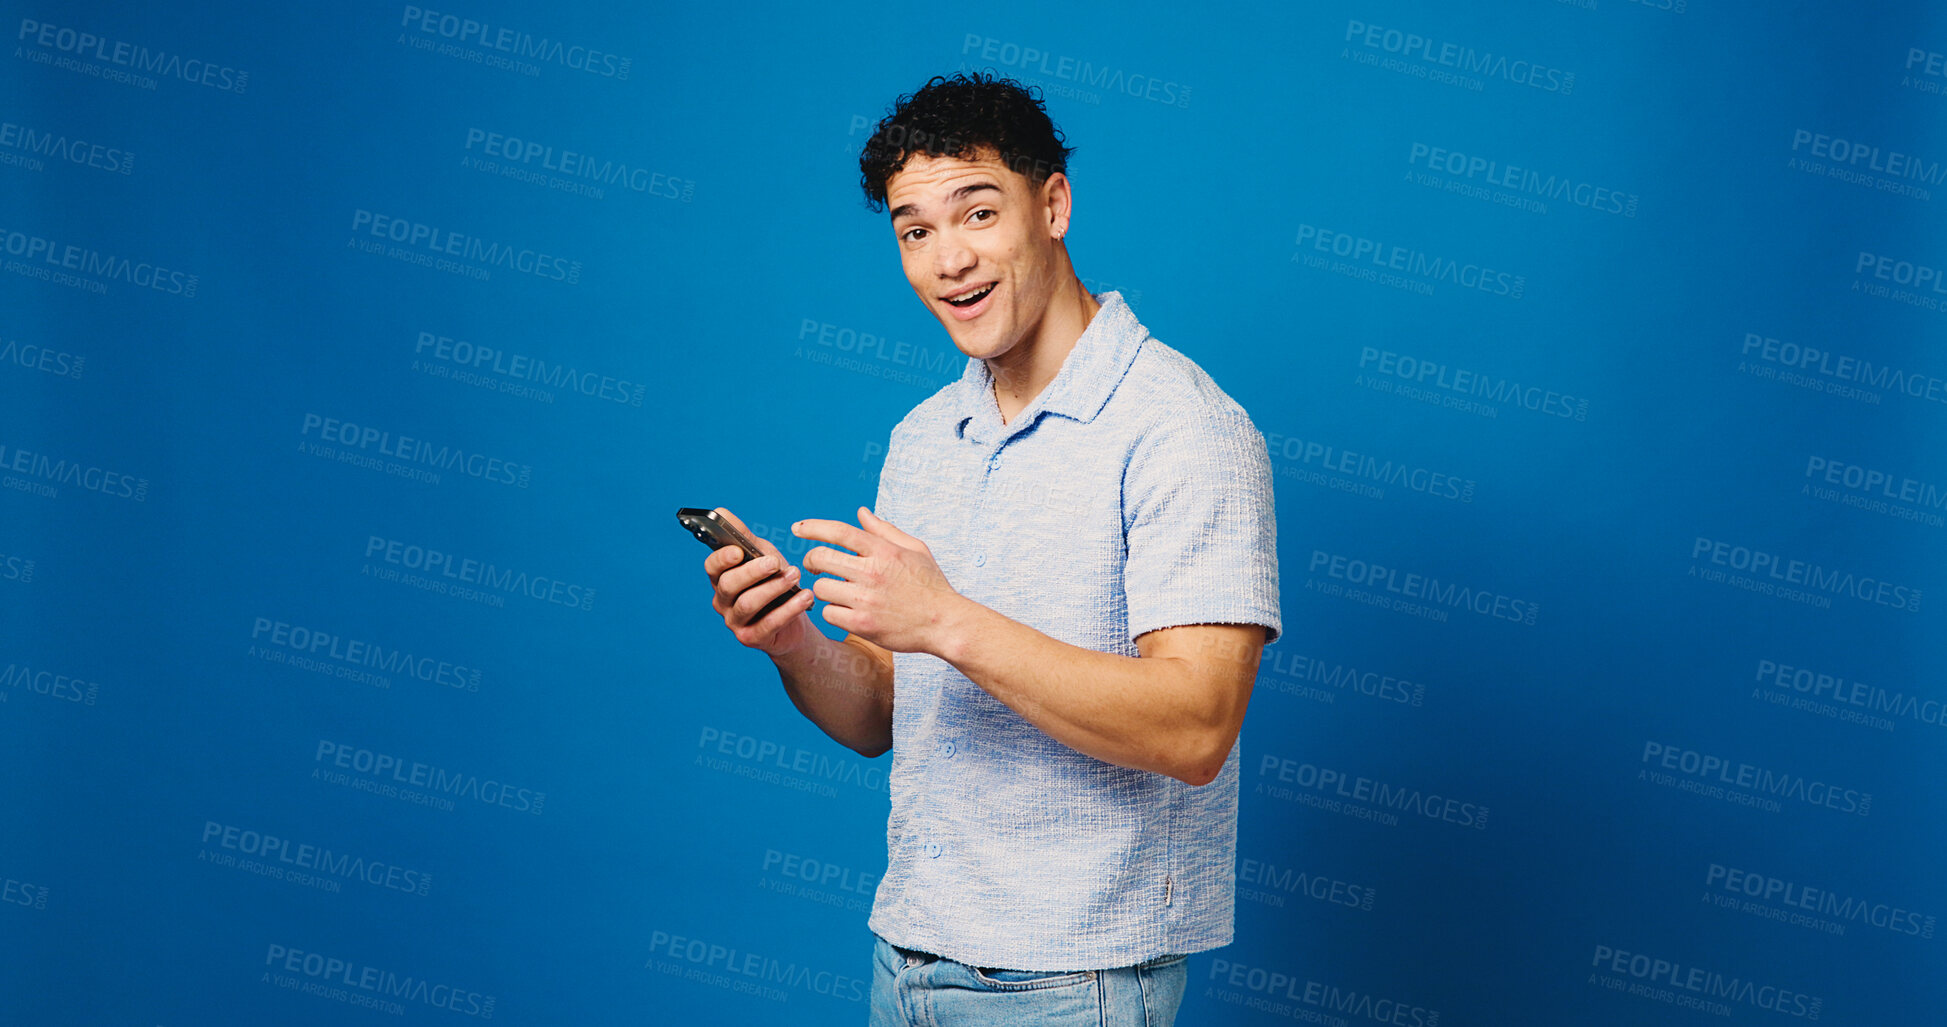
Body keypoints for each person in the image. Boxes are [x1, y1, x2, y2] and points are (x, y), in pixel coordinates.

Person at [700, 71, 1280, 1027]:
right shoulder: (924, 436)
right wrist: (793, 642)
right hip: (907, 958)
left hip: (1071, 981)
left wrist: (945, 619)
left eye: (978, 212)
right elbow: (882, 713)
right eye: (914, 231)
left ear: (1052, 206)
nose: (949, 260)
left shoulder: (1184, 428)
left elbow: (1194, 729)